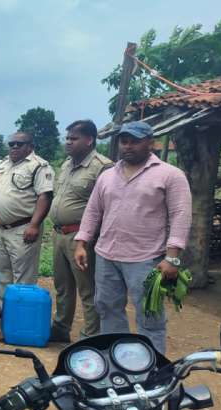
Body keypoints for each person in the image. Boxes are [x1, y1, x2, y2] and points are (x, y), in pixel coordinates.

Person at [75, 121, 191, 355]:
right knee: (107, 308)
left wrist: (172, 257)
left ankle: (154, 366)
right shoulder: (108, 175)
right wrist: (81, 243)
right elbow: (93, 211)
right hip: (107, 255)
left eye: (135, 142)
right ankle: (118, 359)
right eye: (124, 141)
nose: (128, 146)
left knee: (149, 315)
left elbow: (181, 214)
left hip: (146, 258)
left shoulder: (170, 175)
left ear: (150, 143)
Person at [48, 120, 113, 343]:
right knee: (63, 286)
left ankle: (91, 336)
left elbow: (107, 207)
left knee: (88, 289)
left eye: (73, 138)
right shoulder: (67, 164)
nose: (68, 142)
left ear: (89, 140)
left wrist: (88, 239)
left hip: (82, 239)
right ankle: (61, 328)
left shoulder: (102, 167)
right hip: (59, 234)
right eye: (67, 138)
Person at [0, 131, 54, 299]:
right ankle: (5, 308)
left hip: (22, 229)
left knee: (23, 277)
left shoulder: (39, 166)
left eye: (19, 144)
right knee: (1, 273)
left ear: (30, 147)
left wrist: (34, 225)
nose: (14, 147)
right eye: (11, 144)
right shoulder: (3, 164)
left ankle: (20, 311)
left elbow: (45, 196)